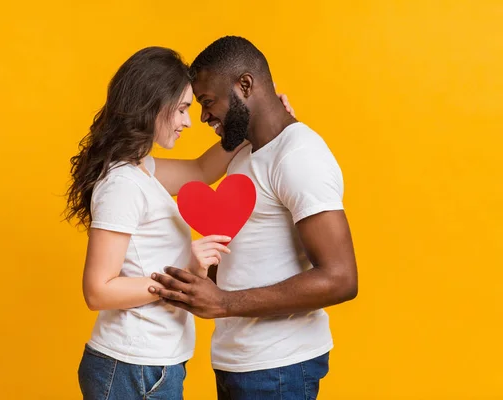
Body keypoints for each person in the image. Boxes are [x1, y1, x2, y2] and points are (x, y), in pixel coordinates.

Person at [64, 46, 294, 399]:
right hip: (132, 365)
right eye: (183, 109)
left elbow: (201, 171)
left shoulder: (142, 169)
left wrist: (255, 123)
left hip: (149, 364)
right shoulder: (122, 184)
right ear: (152, 104)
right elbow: (98, 291)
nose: (189, 121)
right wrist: (184, 272)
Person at [149, 36, 359, 400]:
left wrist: (223, 302)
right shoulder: (245, 151)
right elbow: (196, 174)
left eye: (208, 102)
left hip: (278, 367)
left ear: (245, 85)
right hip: (239, 362)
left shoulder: (298, 155)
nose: (202, 117)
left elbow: (341, 279)